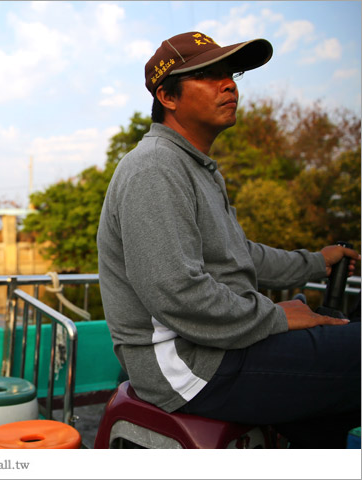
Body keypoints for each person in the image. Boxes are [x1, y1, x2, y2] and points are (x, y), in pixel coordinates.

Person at [96, 31, 361, 448]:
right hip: (190, 366)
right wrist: (277, 316)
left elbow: (241, 254)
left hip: (222, 349)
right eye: (210, 75)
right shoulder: (154, 168)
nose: (230, 85)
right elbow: (177, 293)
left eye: (231, 74)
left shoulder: (200, 169)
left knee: (336, 394)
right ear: (167, 96)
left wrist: (315, 262)